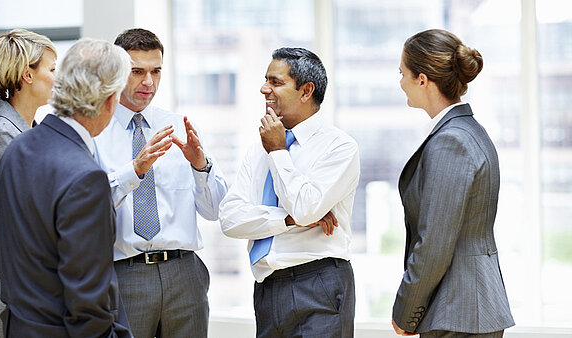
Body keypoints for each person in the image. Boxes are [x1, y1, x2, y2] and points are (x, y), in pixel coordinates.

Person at [93, 28, 228, 338]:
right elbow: (90, 205)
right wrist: (135, 170)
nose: (148, 82)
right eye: (137, 71)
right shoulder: (95, 131)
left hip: (184, 273)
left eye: (156, 71)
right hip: (125, 273)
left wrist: (200, 166)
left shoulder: (179, 126)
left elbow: (215, 210)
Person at [0, 38, 133, 337]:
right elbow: (89, 305)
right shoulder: (86, 178)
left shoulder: (16, 149)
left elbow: (6, 256)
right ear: (111, 100)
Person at [219, 47, 360, 337]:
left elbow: (306, 208)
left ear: (306, 91)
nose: (264, 89)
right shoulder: (259, 149)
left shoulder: (339, 147)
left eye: (275, 82)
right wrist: (287, 220)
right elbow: (230, 219)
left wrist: (278, 151)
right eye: (265, 80)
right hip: (268, 288)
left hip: (318, 282)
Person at [391, 29, 515, 337]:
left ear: (423, 79)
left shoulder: (451, 141)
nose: (400, 82)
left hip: (458, 310)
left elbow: (435, 242)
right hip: (468, 308)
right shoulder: (469, 131)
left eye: (402, 73)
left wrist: (405, 312)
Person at [0, 28, 57, 338]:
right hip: (20, 294)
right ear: (27, 75)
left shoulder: (35, 132)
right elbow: (38, 208)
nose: (57, 78)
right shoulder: (2, 134)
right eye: (51, 70)